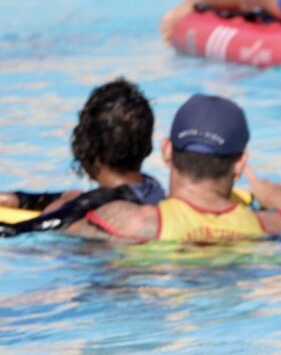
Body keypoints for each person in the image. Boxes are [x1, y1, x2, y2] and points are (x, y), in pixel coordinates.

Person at [65, 94, 281, 244]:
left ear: (167, 151)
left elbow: (55, 235)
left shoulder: (133, 222)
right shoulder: (268, 225)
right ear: (240, 163)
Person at [1, 79, 165, 237]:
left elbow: (31, 228)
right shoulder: (152, 188)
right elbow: (80, 199)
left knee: (59, 205)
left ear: (87, 148)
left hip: (95, 254)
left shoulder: (97, 201)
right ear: (148, 147)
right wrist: (21, 200)